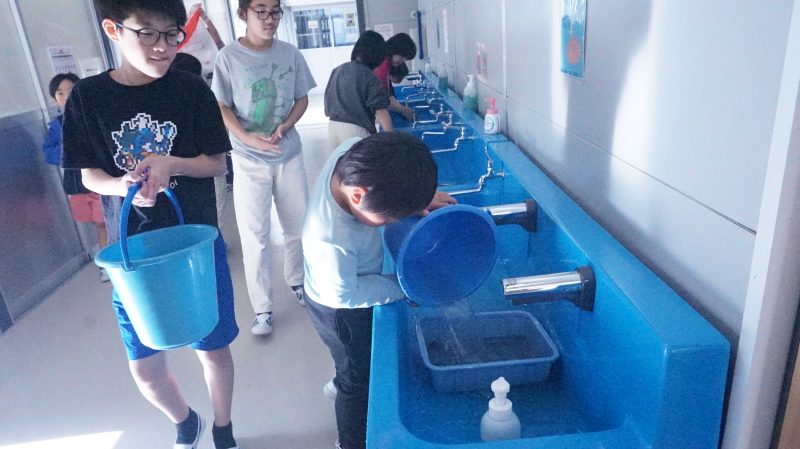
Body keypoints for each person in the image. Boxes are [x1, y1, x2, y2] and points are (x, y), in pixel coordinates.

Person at [61, 1, 239, 448]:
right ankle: (186, 420)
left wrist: (170, 162)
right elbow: (87, 176)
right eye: (148, 33)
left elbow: (216, 162)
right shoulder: (87, 97)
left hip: (195, 244)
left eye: (172, 33)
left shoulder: (191, 89)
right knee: (145, 366)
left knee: (213, 348)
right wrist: (121, 185)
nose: (163, 46)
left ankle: (223, 428)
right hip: (133, 255)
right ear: (113, 30)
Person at [302, 132, 456, 449]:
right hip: (337, 309)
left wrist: (418, 199)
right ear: (359, 196)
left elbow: (394, 174)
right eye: (391, 217)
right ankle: (349, 441)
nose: (395, 221)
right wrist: (404, 287)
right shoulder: (329, 239)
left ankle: (340, 375)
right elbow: (346, 294)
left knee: (353, 360)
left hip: (341, 281)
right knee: (357, 378)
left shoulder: (352, 153)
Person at [211, 0, 316, 336]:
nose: (270, 18)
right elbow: (221, 105)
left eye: (275, 11)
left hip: (288, 154)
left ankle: (298, 281)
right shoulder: (229, 57)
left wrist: (286, 125)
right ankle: (262, 309)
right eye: (261, 11)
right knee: (254, 236)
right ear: (243, 14)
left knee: (297, 226)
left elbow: (302, 98)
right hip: (248, 159)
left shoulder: (290, 54)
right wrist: (245, 137)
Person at [43, 72, 110, 282]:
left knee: (102, 223)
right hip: (76, 185)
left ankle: (106, 265)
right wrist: (69, 147)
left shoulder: (92, 116)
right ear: (54, 99)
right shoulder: (57, 125)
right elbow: (49, 153)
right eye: (60, 93)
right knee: (95, 222)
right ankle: (107, 258)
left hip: (99, 181)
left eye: (71, 91)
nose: (66, 97)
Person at [324, 30, 393, 153]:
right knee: (365, 165)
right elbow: (380, 110)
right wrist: (393, 140)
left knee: (345, 163)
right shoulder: (368, 75)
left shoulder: (337, 70)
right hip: (354, 131)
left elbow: (327, 105)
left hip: (333, 128)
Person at [373, 33, 417, 122]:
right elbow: (383, 100)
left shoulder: (386, 63)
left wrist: (400, 109)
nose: (403, 61)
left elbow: (389, 94)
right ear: (395, 50)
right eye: (403, 56)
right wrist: (404, 110)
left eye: (406, 58)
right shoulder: (382, 65)